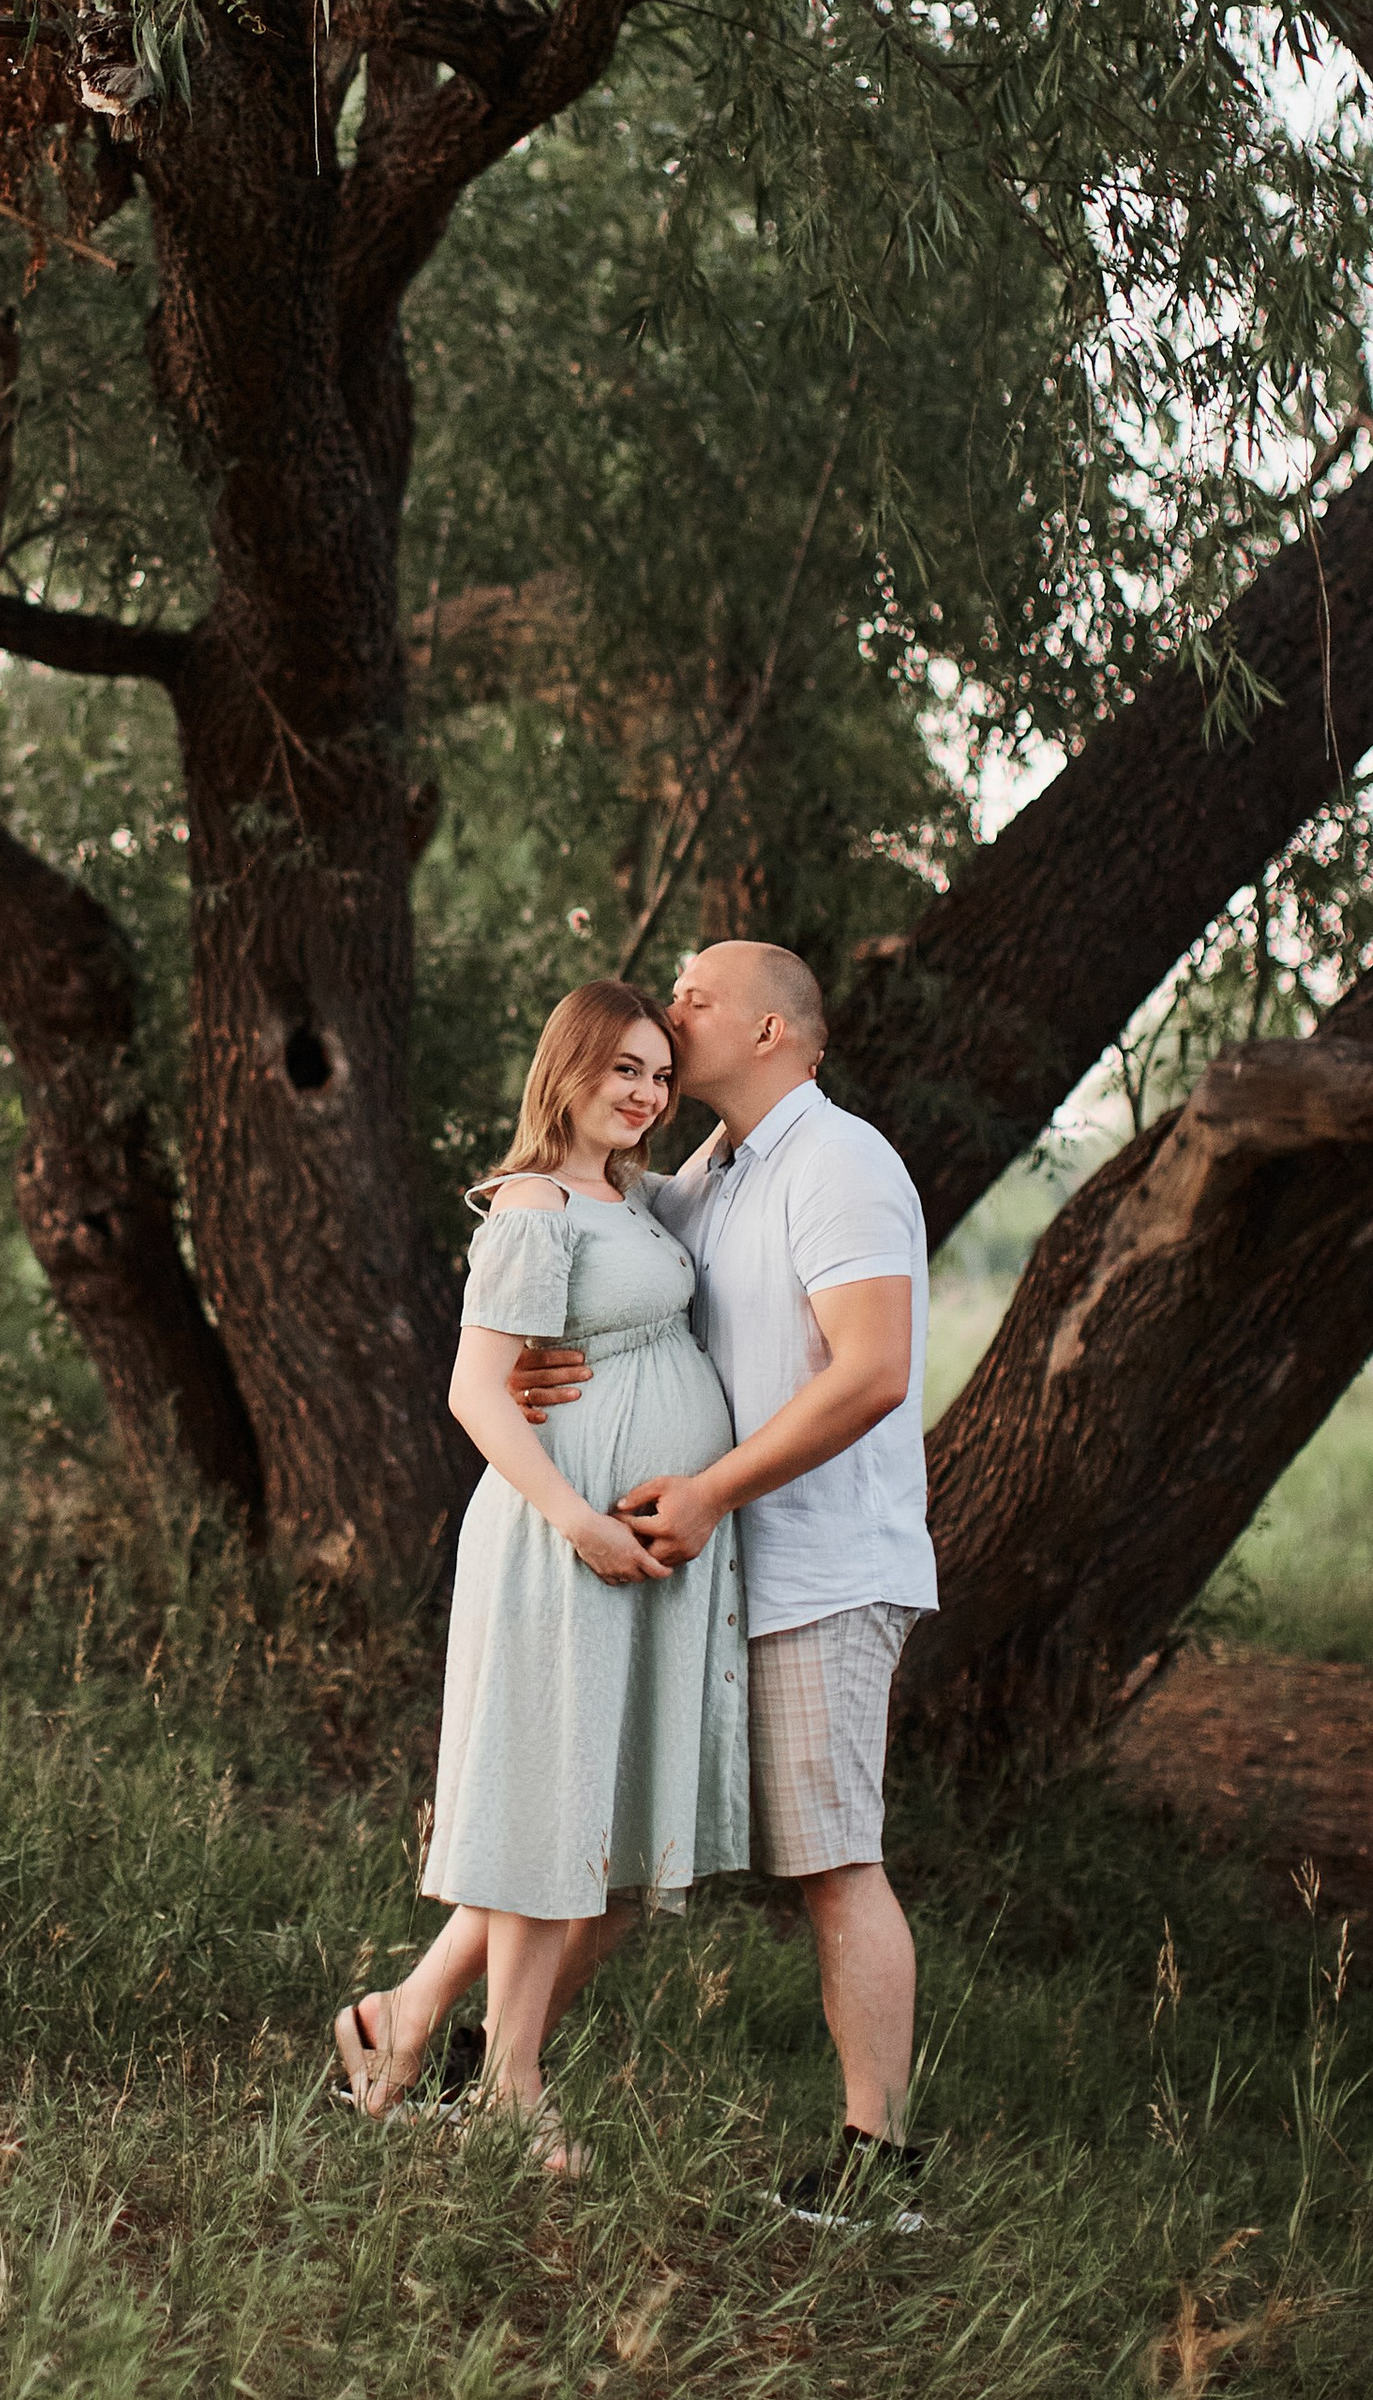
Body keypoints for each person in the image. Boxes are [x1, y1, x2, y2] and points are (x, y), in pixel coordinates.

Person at [330, 981, 750, 2175]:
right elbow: (476, 1388)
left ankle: (404, 2026)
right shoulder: (531, 1206)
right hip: (562, 1539)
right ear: (566, 1068)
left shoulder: (630, 1199)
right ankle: (508, 2087)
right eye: (623, 1068)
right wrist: (576, 1520)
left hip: (629, 1543)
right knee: (552, 1810)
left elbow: (742, 1134)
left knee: (574, 1812)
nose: (647, 1093)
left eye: (662, 1075)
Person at [555, 939, 935, 2226]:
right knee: (615, 1844)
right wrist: (521, 1369)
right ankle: (474, 2062)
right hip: (710, 1577)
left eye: (697, 997)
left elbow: (871, 1370)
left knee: (832, 1862)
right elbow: (597, 1267)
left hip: (817, 1572)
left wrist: (714, 1490)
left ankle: (877, 2163)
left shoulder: (841, 1164)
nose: (672, 1011)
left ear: (772, 1032)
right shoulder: (713, 1171)